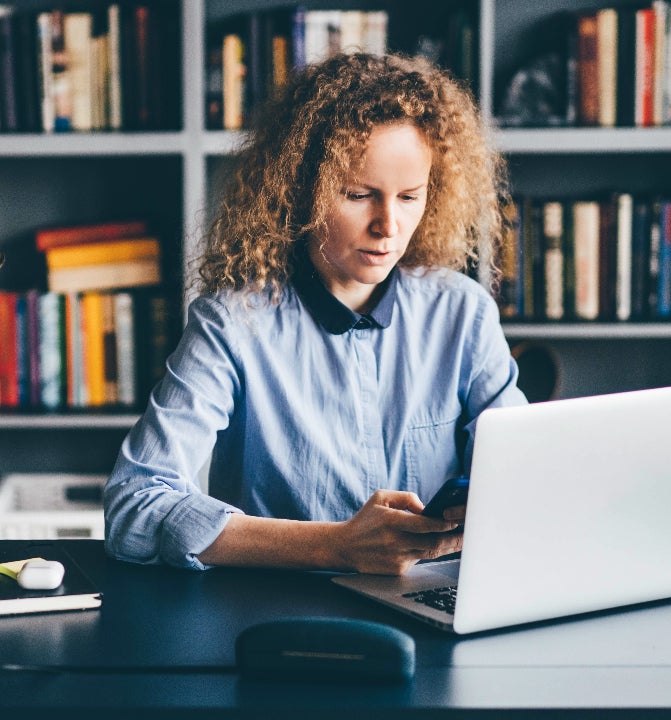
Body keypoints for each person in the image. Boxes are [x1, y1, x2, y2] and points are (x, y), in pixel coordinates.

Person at [103, 52, 527, 575]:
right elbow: (135, 506)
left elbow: (522, 467)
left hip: (437, 610)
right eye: (358, 195)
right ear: (301, 189)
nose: (388, 226)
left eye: (411, 196)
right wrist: (336, 546)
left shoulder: (462, 312)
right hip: (283, 620)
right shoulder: (232, 324)